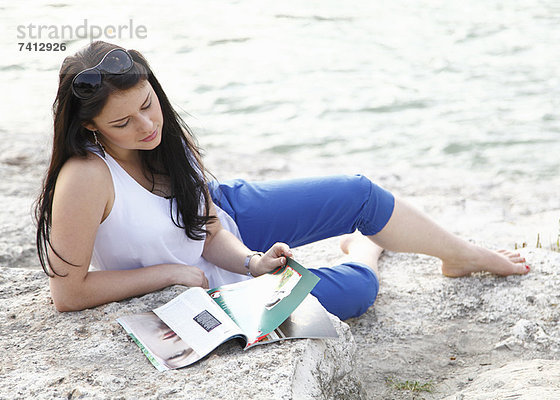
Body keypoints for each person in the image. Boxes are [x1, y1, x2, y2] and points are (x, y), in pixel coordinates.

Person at [35, 41, 529, 321]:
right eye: (123, 124)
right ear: (90, 127)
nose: (146, 127)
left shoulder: (161, 138)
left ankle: (461, 255)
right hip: (206, 290)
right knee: (356, 292)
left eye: (148, 105)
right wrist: (167, 275)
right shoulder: (86, 178)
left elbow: (208, 232)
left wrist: (252, 262)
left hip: (225, 230)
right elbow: (69, 294)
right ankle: (365, 250)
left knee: (358, 191)